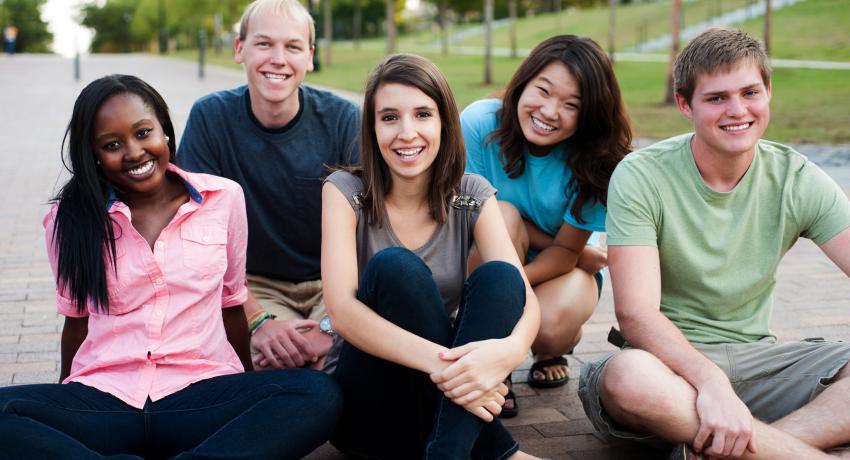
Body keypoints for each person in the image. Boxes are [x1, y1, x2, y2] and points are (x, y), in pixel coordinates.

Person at [0, 75, 341, 459]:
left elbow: (232, 304)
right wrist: (62, 404)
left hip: (200, 395)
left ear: (165, 130)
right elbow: (75, 321)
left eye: (143, 132)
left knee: (316, 395)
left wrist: (247, 397)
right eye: (112, 145)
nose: (133, 152)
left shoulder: (222, 199)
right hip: (107, 399)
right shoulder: (70, 219)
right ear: (94, 154)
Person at [578, 28, 850, 460]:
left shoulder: (797, 178)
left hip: (763, 363)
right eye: (717, 97)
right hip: (665, 371)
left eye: (750, 92)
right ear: (685, 105)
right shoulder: (642, 175)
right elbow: (636, 315)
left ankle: (739, 448)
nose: (737, 110)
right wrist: (711, 382)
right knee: (627, 377)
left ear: (768, 93)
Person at [322, 53, 542, 459]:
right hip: (369, 406)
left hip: (438, 410)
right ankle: (500, 452)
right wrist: (452, 369)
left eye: (423, 114)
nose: (407, 132)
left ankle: (448, 452)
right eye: (389, 117)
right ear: (372, 128)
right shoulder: (345, 191)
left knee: (500, 277)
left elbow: (525, 301)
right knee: (395, 268)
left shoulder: (472, 193)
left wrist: (505, 356)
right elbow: (341, 313)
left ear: (444, 122)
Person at [178, 0, 360, 371]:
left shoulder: (343, 119)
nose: (278, 58)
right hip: (254, 286)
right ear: (239, 49)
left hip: (337, 280)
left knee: (352, 357)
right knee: (272, 360)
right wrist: (258, 320)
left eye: (293, 47)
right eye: (264, 44)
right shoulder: (210, 119)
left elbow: (372, 227)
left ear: (309, 57)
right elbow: (193, 240)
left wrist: (332, 326)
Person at [461, 34, 631, 414]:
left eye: (571, 104)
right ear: (524, 82)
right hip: (486, 249)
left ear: (589, 114)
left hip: (557, 267)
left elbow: (564, 252)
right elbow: (468, 212)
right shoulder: (479, 123)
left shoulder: (595, 160)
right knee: (499, 215)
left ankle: (550, 351)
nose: (550, 111)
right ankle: (491, 361)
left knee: (551, 327)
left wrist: (508, 284)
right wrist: (575, 252)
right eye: (543, 91)